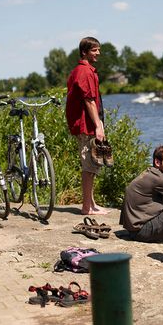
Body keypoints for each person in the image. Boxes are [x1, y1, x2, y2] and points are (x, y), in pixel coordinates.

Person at [65, 36, 109, 215]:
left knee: (93, 163)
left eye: (98, 49)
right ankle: (86, 207)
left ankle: (91, 203)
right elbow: (89, 101)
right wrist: (98, 125)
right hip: (86, 125)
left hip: (88, 124)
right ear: (84, 52)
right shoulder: (84, 72)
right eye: (94, 50)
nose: (98, 53)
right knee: (89, 165)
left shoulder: (85, 70)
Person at [120, 145, 163, 243]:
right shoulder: (159, 179)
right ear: (157, 162)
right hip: (142, 231)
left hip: (134, 229)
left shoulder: (152, 172)